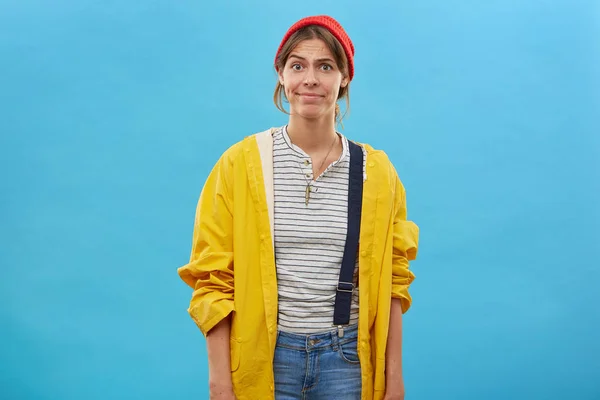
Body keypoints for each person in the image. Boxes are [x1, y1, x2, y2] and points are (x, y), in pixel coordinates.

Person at [177, 15, 419, 400]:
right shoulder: (240, 164)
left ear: (344, 78)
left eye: (325, 66)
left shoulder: (377, 172)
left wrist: (394, 381)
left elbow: (394, 281)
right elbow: (213, 280)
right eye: (297, 65)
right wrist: (220, 384)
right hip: (266, 359)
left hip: (347, 361)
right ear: (281, 74)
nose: (310, 79)